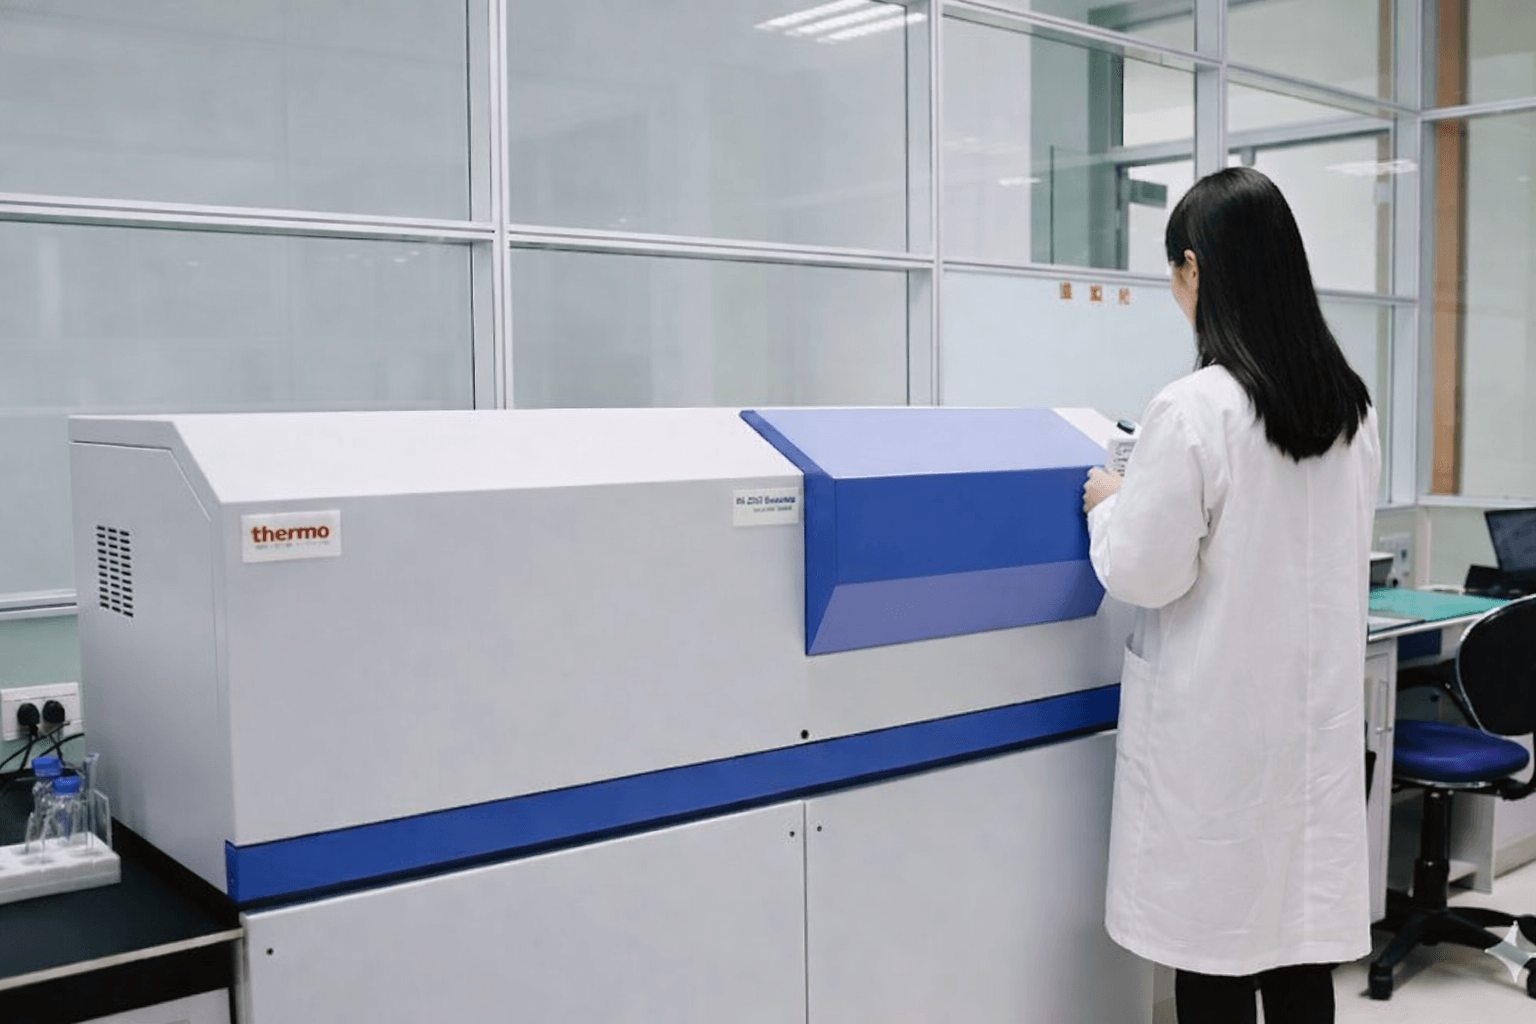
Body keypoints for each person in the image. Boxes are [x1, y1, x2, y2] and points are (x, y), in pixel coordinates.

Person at [1081, 166, 1379, 1024]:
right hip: (1309, 732)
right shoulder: (1349, 408)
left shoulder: (1193, 408)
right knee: (1295, 952)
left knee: (1211, 960)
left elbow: (1145, 571)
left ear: (1195, 268)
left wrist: (1111, 506)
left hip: (1216, 738)